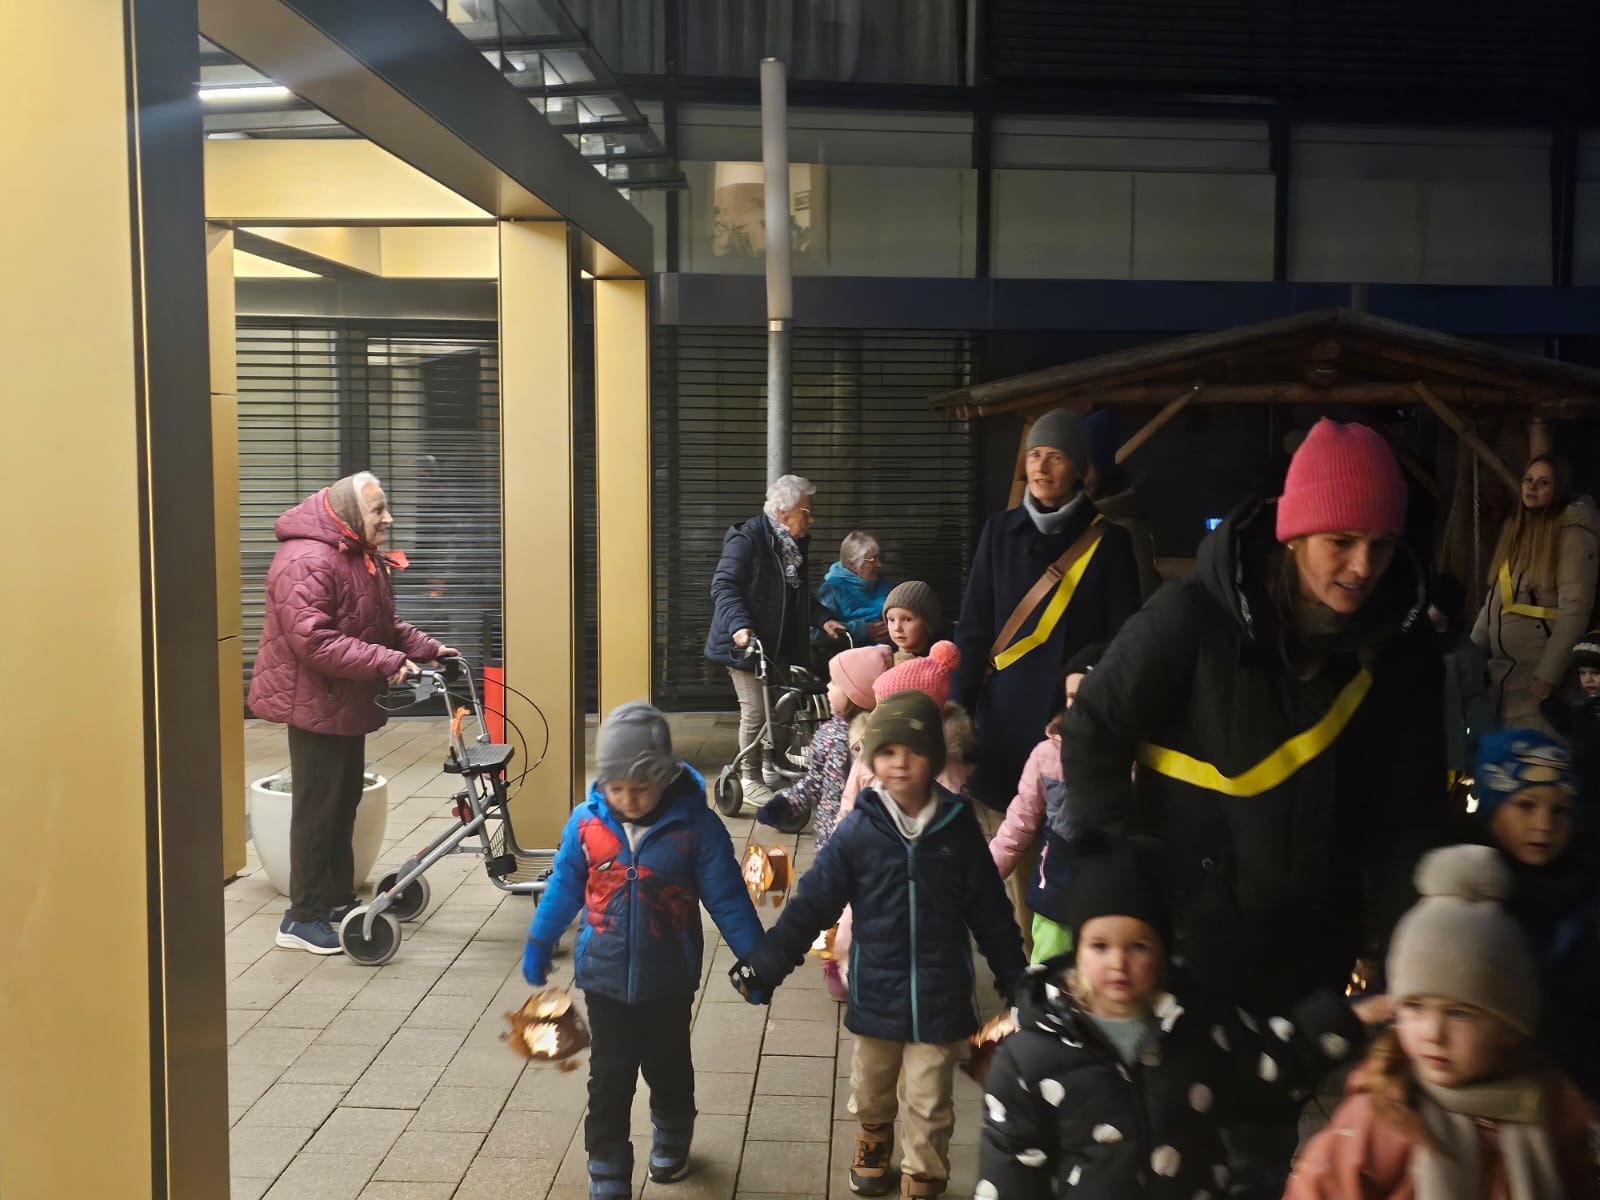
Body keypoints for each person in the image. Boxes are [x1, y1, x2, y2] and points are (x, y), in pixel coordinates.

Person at [1060, 418, 1452, 1198]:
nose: (1363, 566)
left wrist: (1393, 945)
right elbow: (1094, 727)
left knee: (1266, 1145)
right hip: (1194, 940)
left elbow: (1408, 810)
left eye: (1381, 544)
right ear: (1294, 531)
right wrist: (1129, 886)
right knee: (1175, 1142)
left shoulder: (1401, 647)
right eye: (1341, 541)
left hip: (1314, 948)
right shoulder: (1192, 616)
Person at [730, 691, 1026, 1200]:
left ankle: (923, 1174)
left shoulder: (959, 829)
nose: (900, 762)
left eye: (914, 751)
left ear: (935, 757)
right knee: (871, 1087)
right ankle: (873, 1135)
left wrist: (1017, 982)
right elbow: (813, 904)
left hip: (940, 998)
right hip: (875, 993)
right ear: (871, 758)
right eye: (887, 751)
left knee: (930, 1099)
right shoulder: (859, 831)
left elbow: (993, 915)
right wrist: (769, 961)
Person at [977, 835, 1374, 1200]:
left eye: (1138, 946)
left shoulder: (1199, 1024)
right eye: (1099, 946)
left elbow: (1273, 1060)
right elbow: (1011, 1167)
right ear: (1076, 952)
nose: (1118, 962)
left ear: (1162, 953)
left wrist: (1344, 1017)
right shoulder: (1032, 1054)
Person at [521, 703, 766, 1199]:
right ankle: (608, 1171)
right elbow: (564, 886)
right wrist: (540, 939)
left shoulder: (696, 828)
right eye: (616, 788)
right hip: (604, 981)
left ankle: (673, 1133)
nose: (628, 800)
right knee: (608, 1080)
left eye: (640, 788)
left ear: (665, 777)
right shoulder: (586, 824)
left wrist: (761, 960)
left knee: (668, 1067)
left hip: (668, 980)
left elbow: (727, 898)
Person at [1285, 845, 1600, 1199]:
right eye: (1415, 1007)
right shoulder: (1382, 1118)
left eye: (1460, 1013)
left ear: (1509, 1026)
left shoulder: (1555, 1113)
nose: (1433, 1033)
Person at [248, 472, 455, 955]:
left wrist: (428, 648)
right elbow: (314, 640)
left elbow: (379, 623)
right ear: (347, 513)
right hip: (315, 702)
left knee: (342, 805)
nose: (389, 518)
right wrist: (386, 661)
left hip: (341, 701)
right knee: (317, 812)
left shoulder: (354, 555)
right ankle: (301, 919)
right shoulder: (306, 559)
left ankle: (336, 900)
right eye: (378, 509)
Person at [952, 408, 1142, 813]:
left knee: (1063, 828)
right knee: (1006, 825)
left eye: (1056, 456)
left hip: (1067, 720)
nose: (1041, 467)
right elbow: (974, 626)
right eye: (1034, 454)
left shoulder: (1109, 541)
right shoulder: (998, 531)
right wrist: (958, 709)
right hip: (1004, 715)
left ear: (1078, 469)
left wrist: (1090, 704)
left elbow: (1122, 640)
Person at [1470, 729, 1600, 1100]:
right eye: (1526, 806)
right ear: (1492, 808)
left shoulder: (1585, 895)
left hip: (1577, 1088)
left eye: (1560, 811)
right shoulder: (1470, 895)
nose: (1544, 824)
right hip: (1493, 1087)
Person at [704, 474, 849, 805]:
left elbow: (796, 595)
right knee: (757, 711)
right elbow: (723, 586)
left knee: (783, 708)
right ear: (783, 513)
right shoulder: (747, 539)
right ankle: (749, 777)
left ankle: (771, 765)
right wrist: (740, 626)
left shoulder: (791, 546)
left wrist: (823, 619)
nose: (812, 519)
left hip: (778, 644)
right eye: (806, 512)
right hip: (745, 644)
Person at [989, 642, 1105, 961]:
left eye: (1092, 695)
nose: (1080, 707)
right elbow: (1019, 821)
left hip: (1112, 902)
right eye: (1073, 698)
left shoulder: (1135, 758)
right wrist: (984, 875)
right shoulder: (1047, 755)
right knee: (1050, 973)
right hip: (1056, 896)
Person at [1471, 453, 1600, 732]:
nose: (1532, 487)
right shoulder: (1519, 529)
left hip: (1537, 673)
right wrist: (1472, 652)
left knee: (1537, 747)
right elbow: (1496, 597)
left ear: (1558, 488)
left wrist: (1549, 674)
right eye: (1528, 480)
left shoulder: (1572, 533)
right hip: (1504, 672)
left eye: (1543, 483)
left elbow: (1575, 607)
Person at [754, 643, 892, 843]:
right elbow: (816, 780)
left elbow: (815, 781)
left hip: (848, 837)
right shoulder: (832, 732)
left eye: (835, 683)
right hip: (837, 836)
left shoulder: (854, 740)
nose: (827, 686)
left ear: (855, 695)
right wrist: (785, 804)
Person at [818, 531, 893, 646]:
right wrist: (862, 630)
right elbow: (819, 632)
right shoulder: (832, 590)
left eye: (878, 558)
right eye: (872, 559)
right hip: (851, 651)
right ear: (852, 565)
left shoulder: (884, 583)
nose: (879, 564)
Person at [882, 580, 942, 663]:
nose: (897, 628)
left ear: (927, 624)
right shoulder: (881, 654)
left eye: (908, 619)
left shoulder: (940, 659)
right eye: (892, 620)